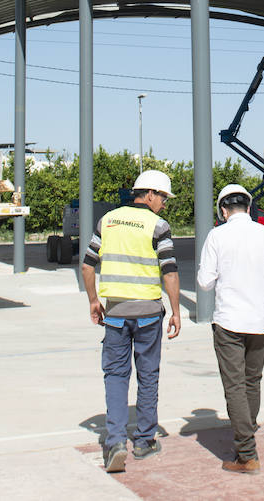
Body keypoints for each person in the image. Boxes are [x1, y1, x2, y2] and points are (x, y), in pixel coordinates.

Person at [81, 169, 182, 474]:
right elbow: (170, 272)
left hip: (115, 314)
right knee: (148, 375)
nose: (164, 203)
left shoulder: (107, 221)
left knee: (115, 375)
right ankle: (144, 440)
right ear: (149, 194)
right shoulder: (158, 225)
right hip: (148, 314)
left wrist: (94, 300)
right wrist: (176, 311)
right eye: (163, 197)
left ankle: (114, 442)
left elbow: (87, 266)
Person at [196, 183, 264, 474]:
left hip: (229, 322)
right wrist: (259, 283)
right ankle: (247, 434)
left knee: (234, 385)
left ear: (223, 211)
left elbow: (204, 282)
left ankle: (247, 455)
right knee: (252, 381)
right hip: (259, 321)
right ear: (249, 208)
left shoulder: (217, 235)